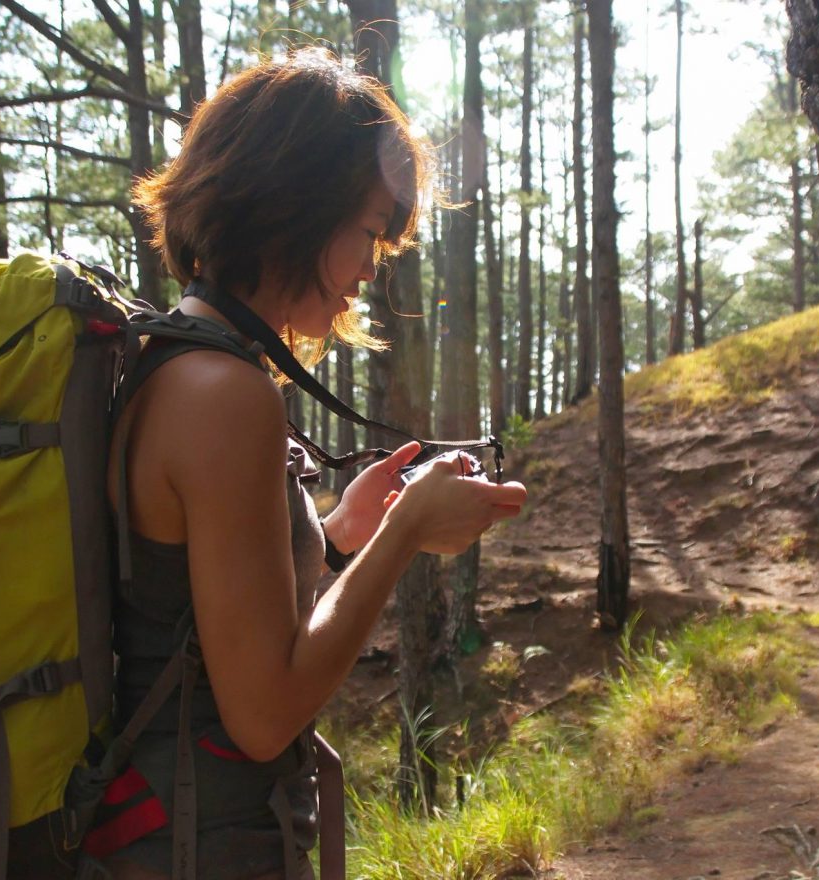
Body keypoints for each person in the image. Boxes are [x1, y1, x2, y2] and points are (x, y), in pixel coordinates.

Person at [90, 49, 528, 880]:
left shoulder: (172, 359)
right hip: (200, 846)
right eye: (367, 233)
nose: (370, 270)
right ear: (293, 204)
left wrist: (334, 541)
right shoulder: (223, 393)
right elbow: (262, 714)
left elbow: (185, 612)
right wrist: (404, 535)